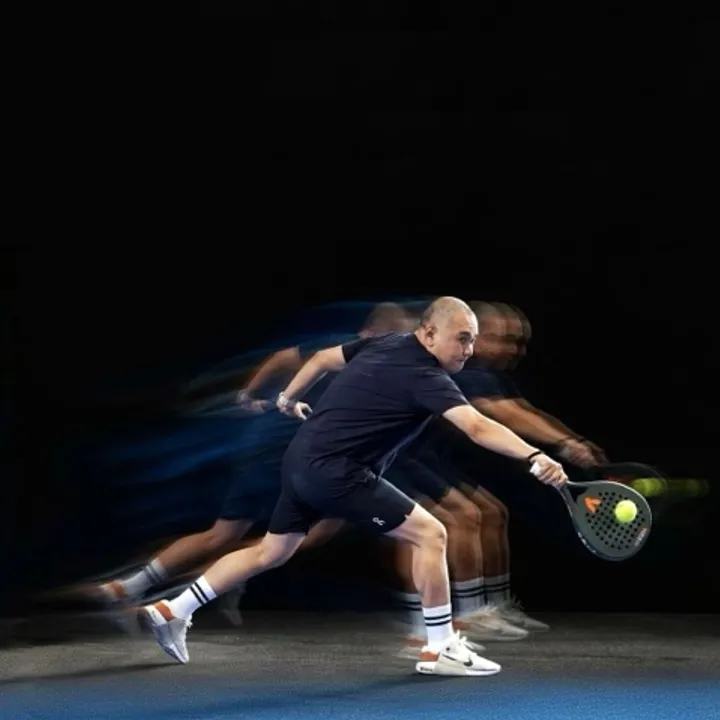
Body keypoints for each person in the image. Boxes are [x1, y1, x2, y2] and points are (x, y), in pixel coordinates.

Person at [140, 297, 568, 677]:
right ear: (429, 332)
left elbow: (323, 358)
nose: (468, 349)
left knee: (271, 552)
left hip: (300, 462)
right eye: (461, 338)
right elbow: (475, 426)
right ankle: (440, 647)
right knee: (432, 534)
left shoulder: (386, 344)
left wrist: (288, 397)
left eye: (472, 340)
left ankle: (173, 609)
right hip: (337, 472)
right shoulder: (425, 375)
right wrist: (534, 456)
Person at [90, 302, 412, 622]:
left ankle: (201, 584)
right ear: (369, 332)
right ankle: (137, 588)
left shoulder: (385, 370)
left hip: (310, 457)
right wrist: (249, 394)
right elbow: (285, 357)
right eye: (394, 337)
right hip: (273, 449)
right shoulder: (340, 349)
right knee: (226, 534)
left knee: (320, 528)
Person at [411, 301, 606, 631]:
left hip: (428, 458)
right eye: (503, 339)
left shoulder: (488, 375)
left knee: (492, 512)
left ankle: (494, 607)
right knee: (467, 516)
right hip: (400, 458)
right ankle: (470, 614)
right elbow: (502, 413)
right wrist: (565, 444)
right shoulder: (462, 370)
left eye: (518, 342)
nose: (513, 349)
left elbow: (521, 409)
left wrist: (572, 440)